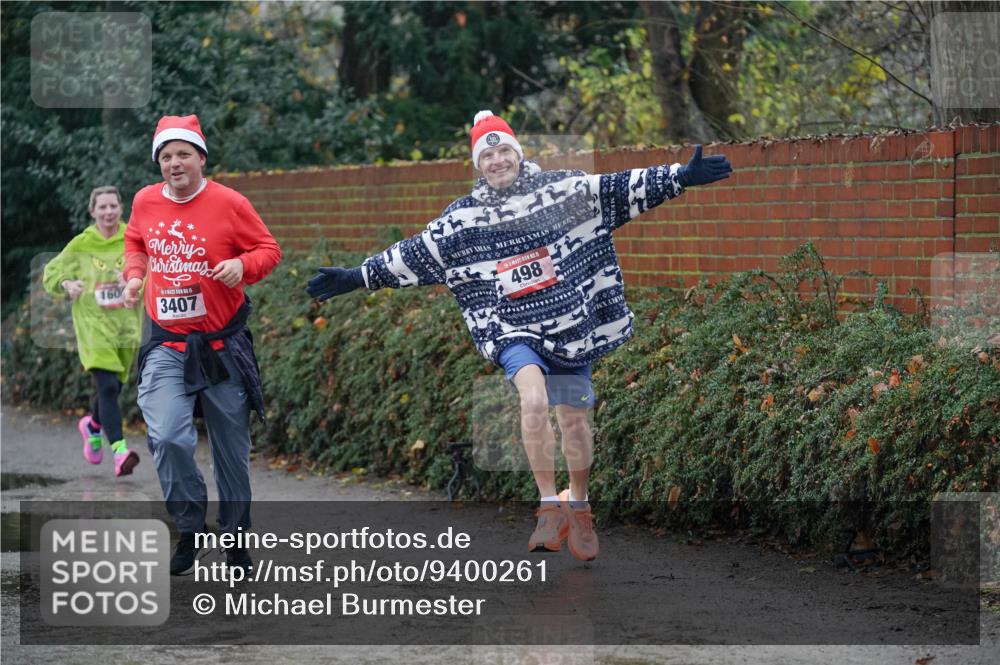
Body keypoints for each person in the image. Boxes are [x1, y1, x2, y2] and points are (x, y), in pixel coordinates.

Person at [307, 110, 732, 561]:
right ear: (477, 164)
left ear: (518, 152)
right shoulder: (462, 221)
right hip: (511, 330)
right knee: (532, 399)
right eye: (486, 154)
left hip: (569, 327)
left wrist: (681, 177)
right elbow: (413, 253)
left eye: (503, 149)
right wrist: (356, 277)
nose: (496, 160)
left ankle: (580, 507)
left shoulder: (564, 191)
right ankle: (549, 505)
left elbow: (620, 188)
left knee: (574, 421)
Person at [122, 115, 281, 575]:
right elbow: (136, 241)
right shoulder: (145, 202)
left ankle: (234, 539)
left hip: (221, 347)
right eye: (166, 156)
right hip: (167, 345)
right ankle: (190, 527)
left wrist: (242, 266)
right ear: (159, 163)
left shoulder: (230, 203)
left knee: (231, 453)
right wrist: (134, 277)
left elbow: (268, 249)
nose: (174, 163)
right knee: (168, 435)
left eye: (183, 154)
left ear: (201, 158)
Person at [43, 186, 143, 477]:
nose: (108, 212)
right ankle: (120, 452)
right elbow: (52, 271)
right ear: (92, 212)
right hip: (92, 326)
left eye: (113, 206)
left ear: (121, 208)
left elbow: (152, 273)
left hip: (125, 326)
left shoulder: (133, 238)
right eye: (102, 207)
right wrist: (66, 284)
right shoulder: (81, 243)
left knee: (114, 387)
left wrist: (134, 283)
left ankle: (93, 426)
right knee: (109, 387)